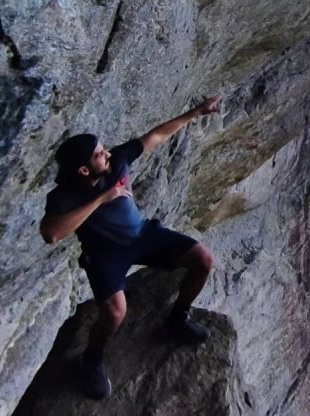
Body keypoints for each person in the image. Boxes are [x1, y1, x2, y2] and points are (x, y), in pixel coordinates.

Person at [40, 96, 221, 400]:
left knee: (203, 259)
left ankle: (177, 318)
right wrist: (100, 199)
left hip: (143, 234)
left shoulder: (116, 162)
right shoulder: (64, 197)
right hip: (105, 253)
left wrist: (196, 112)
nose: (107, 153)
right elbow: (52, 234)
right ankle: (92, 359)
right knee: (114, 313)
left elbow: (156, 136)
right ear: (84, 170)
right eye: (99, 154)